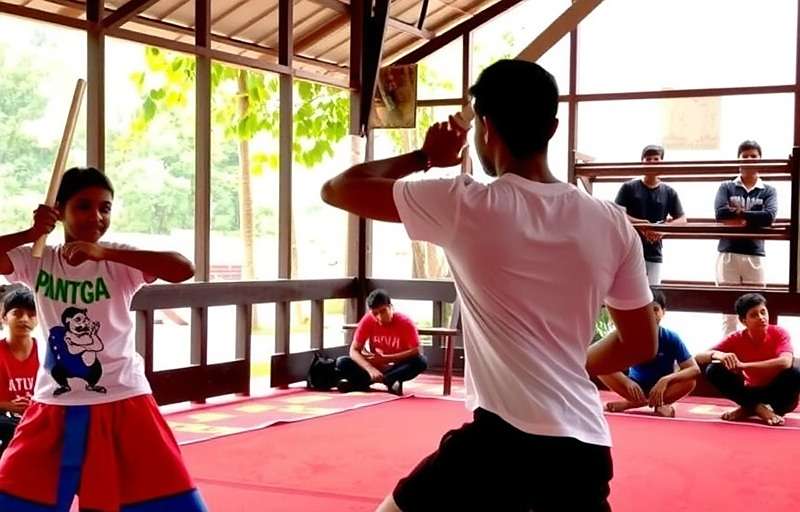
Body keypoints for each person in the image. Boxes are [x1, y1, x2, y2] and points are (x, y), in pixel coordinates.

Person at [321, 59, 658, 512]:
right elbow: (640, 341)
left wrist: (425, 157)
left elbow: (339, 188)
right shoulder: (612, 222)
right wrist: (567, 363)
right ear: (553, 128)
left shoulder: (466, 204)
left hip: (500, 440)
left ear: (484, 127)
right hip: (584, 447)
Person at [0, 167, 207, 511]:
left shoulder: (118, 260)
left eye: (105, 208)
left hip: (124, 398)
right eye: (83, 206)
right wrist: (31, 231)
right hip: (54, 404)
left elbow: (183, 268)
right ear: (60, 210)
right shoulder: (39, 258)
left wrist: (104, 254)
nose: (96, 216)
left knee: (172, 502)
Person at [695, 293, 800, 426]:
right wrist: (719, 355)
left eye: (763, 312)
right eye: (754, 315)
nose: (761, 318)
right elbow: (698, 357)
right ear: (744, 321)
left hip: (778, 394)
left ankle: (748, 409)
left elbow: (785, 362)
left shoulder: (779, 333)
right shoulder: (736, 338)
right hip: (751, 392)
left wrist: (743, 366)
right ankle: (758, 408)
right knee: (713, 369)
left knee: (795, 373)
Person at [599, 288, 698, 417]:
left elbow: (694, 369)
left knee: (690, 381)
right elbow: (603, 360)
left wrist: (665, 380)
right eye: (646, 310)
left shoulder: (671, 337)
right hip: (634, 389)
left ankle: (632, 404)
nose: (651, 314)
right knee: (600, 368)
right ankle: (647, 402)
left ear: (664, 312)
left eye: (655, 309)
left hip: (662, 390)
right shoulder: (627, 335)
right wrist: (626, 382)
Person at [715, 140, 777, 336]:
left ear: (760, 161)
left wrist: (739, 215)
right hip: (728, 253)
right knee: (728, 311)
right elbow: (720, 213)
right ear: (738, 161)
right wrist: (753, 218)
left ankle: (757, 356)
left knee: (757, 308)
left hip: (755, 254)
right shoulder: (726, 186)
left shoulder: (768, 190)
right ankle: (727, 359)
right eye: (745, 157)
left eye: (754, 157)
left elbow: (769, 217)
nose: (749, 160)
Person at [614, 145, 686, 285]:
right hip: (628, 251)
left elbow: (682, 219)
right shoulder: (628, 187)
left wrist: (662, 230)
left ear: (662, 162)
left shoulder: (669, 192)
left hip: (654, 252)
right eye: (648, 159)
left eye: (656, 159)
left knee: (652, 296)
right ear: (642, 162)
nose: (652, 162)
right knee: (627, 294)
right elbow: (617, 213)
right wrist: (643, 225)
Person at [336, 289, 427, 395]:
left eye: (383, 311)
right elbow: (354, 350)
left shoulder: (405, 322)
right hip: (375, 365)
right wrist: (370, 368)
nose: (379, 317)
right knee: (342, 362)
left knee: (421, 361)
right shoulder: (368, 320)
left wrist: (386, 358)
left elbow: (415, 351)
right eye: (375, 313)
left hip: (397, 366)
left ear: (390, 307)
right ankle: (388, 381)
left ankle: (369, 382)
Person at [0, 287, 39, 457]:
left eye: (31, 314)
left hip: (38, 417)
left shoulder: (47, 353)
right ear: (4, 318)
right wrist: (8, 405)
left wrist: (35, 405)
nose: (24, 319)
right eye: (17, 313)